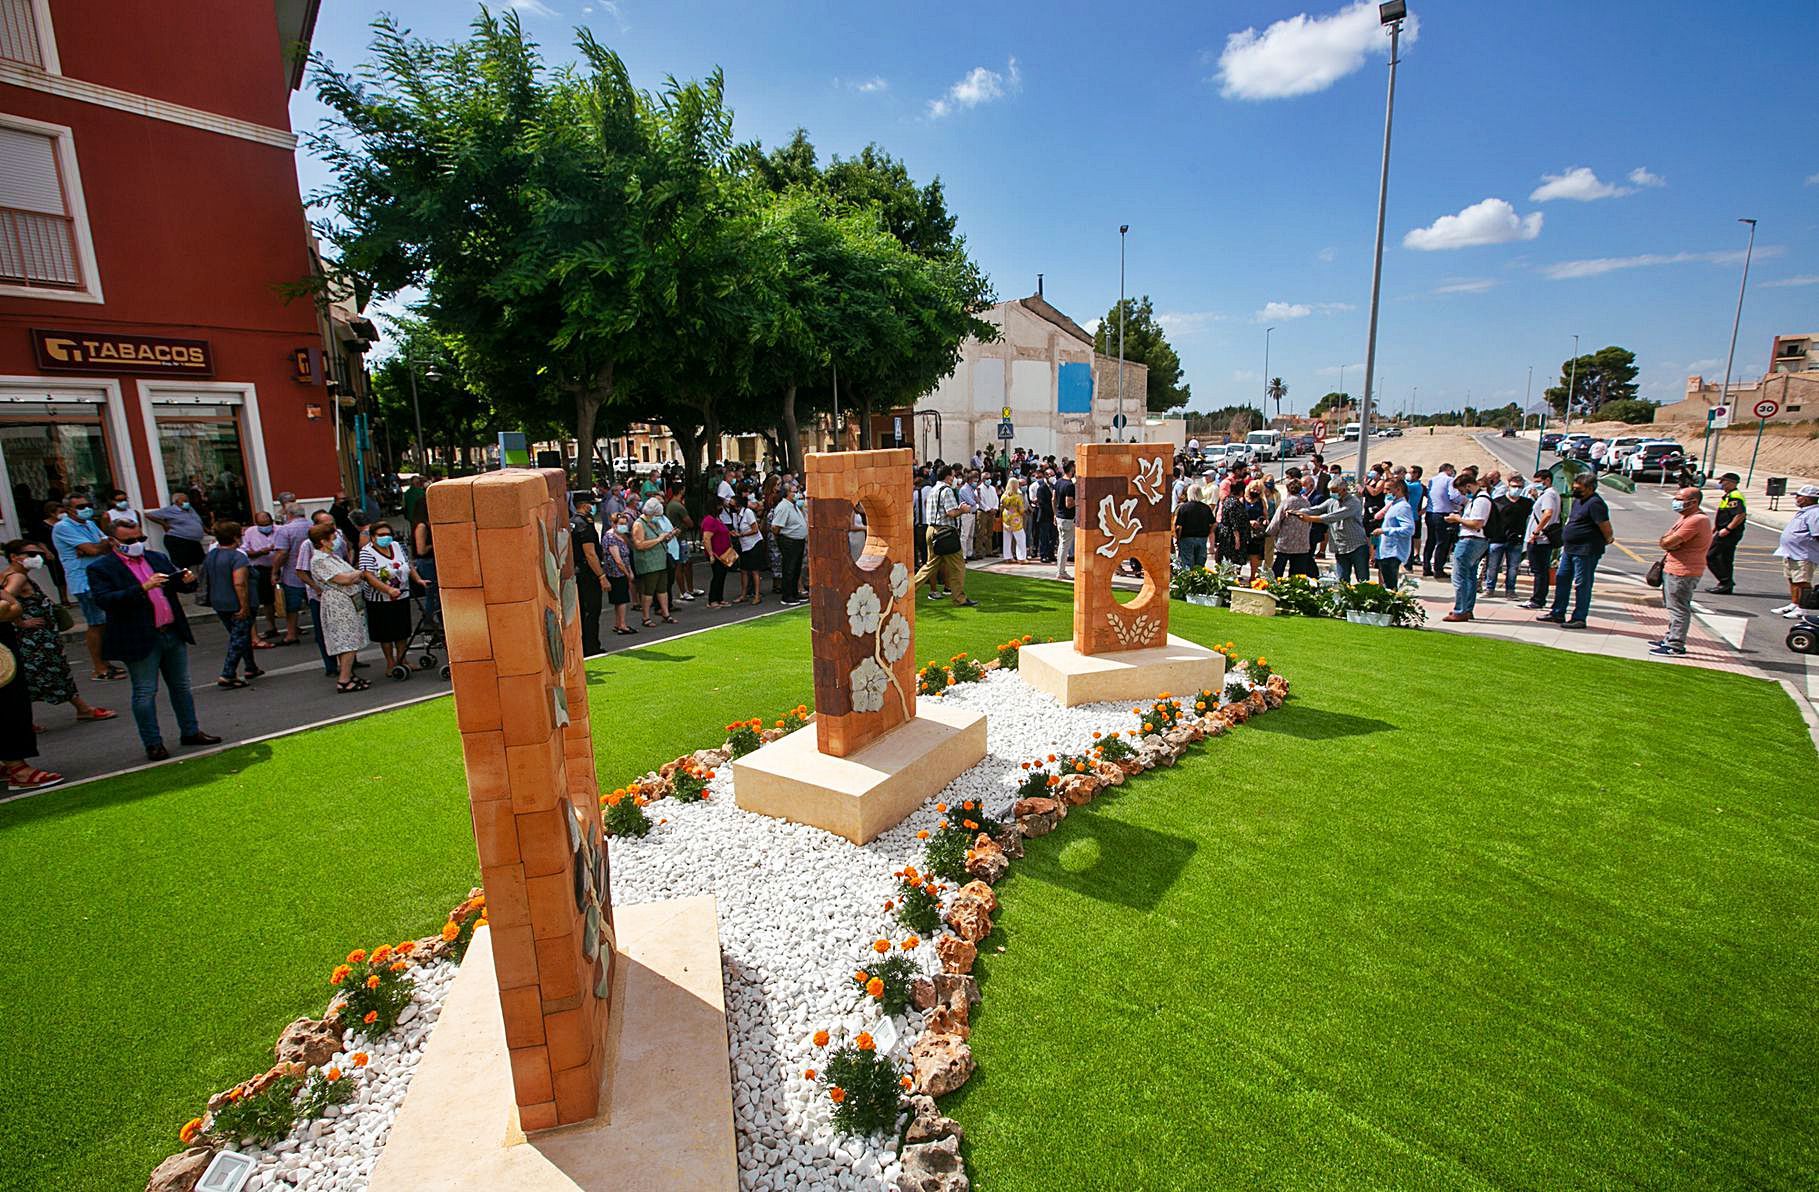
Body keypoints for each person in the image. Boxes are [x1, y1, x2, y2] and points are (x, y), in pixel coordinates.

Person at [86, 519, 221, 760]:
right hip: (140, 638)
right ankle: (153, 743)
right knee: (145, 691)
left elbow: (179, 587)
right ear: (113, 542)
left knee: (181, 687)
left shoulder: (156, 558)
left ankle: (190, 731)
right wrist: (143, 587)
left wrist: (187, 581)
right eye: (130, 541)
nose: (137, 544)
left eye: (140, 539)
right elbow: (105, 600)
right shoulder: (102, 568)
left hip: (171, 631)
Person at [1, 540, 116, 725]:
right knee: (54, 672)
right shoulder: (17, 577)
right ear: (14, 557)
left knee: (37, 677)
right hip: (36, 638)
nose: (36, 558)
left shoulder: (13, 574)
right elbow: (7, 601)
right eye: (30, 554)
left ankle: (27, 721)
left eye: (37, 553)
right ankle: (83, 709)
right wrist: (21, 621)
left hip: (37, 636)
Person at [310, 521, 392, 692]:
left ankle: (349, 674)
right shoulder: (319, 560)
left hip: (350, 600)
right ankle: (344, 679)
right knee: (347, 641)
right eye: (333, 538)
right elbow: (344, 579)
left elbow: (350, 575)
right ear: (323, 541)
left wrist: (356, 574)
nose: (336, 541)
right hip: (338, 603)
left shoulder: (332, 557)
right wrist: (362, 572)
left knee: (351, 638)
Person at [50, 494, 122, 681]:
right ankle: (99, 667)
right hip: (83, 580)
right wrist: (96, 547)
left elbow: (110, 543)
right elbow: (95, 549)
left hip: (100, 577)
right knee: (96, 623)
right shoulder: (63, 527)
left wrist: (96, 547)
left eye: (88, 504)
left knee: (105, 623)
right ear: (69, 510)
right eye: (81, 506)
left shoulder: (89, 524)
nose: (87, 508)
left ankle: (106, 662)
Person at [1538, 471, 1613, 629]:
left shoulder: (1595, 503)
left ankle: (1579, 617)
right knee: (1562, 578)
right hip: (1570, 548)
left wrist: (1608, 538)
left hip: (1586, 550)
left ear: (1591, 488)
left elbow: (1605, 526)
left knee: (1582, 583)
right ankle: (1557, 612)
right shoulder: (1579, 501)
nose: (1576, 491)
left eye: (1580, 488)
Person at [0, 587, 58, 789]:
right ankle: (17, 768)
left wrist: (7, 610)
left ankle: (10, 762)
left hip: (4, 649)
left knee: (14, 704)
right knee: (7, 707)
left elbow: (13, 606)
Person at [200, 522, 263, 688]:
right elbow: (239, 583)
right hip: (237, 601)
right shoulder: (238, 557)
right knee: (239, 637)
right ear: (235, 537)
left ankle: (251, 666)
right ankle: (228, 673)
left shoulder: (212, 555)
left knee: (240, 635)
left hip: (219, 601)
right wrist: (244, 606)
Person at [1653, 487, 1713, 656]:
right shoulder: (1686, 518)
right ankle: (1670, 637)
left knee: (1678, 607)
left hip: (1683, 571)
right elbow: (1666, 540)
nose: (1676, 501)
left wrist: (1668, 542)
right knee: (1672, 606)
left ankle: (1675, 644)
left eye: (1680, 499)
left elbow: (1668, 542)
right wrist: (1668, 542)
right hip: (1673, 568)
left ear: (1693, 502)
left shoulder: (1697, 520)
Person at [357, 521, 423, 673]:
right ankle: (390, 662)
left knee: (402, 630)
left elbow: (408, 565)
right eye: (381, 535)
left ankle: (402, 659)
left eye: (388, 534)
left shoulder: (397, 547)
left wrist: (418, 580)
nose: (385, 538)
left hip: (402, 594)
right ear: (373, 537)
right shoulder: (367, 552)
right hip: (380, 599)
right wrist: (387, 589)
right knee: (385, 633)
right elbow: (368, 575)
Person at [913, 463, 977, 606]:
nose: (954, 479)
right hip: (945, 532)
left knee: (930, 565)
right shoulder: (946, 490)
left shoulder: (933, 489)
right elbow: (951, 512)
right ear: (948, 477)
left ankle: (907, 591)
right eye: (953, 476)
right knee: (958, 565)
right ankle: (959, 598)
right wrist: (963, 510)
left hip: (931, 530)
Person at [1298, 477, 1368, 583]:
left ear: (1344, 490)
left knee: (1363, 580)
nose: (1332, 493)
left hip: (1356, 546)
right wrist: (1297, 512)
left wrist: (1309, 519)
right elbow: (1316, 509)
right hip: (1340, 547)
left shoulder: (1353, 502)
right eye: (1330, 491)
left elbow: (1332, 517)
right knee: (1342, 581)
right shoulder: (1332, 501)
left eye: (1334, 491)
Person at [1443, 475, 1492, 622]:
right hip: (1474, 540)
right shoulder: (1477, 499)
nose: (1462, 493)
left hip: (1471, 540)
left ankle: (1461, 610)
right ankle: (1466, 609)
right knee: (1469, 576)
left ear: (1468, 486)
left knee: (1459, 576)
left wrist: (1456, 519)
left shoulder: (1481, 500)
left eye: (1462, 490)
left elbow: (1477, 523)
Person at [1770, 484, 1819, 617]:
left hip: (1804, 554)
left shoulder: (1815, 514)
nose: (1796, 498)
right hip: (1791, 552)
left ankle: (1802, 608)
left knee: (1802, 581)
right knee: (1792, 579)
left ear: (1808, 498)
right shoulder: (1805, 511)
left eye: (1799, 496)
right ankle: (1794, 603)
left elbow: (1817, 534)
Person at [268, 505, 314, 647]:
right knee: (315, 603)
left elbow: (282, 553)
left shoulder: (285, 530)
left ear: (289, 515)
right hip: (313, 572)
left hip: (293, 573)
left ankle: (291, 634)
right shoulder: (313, 527)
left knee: (292, 607)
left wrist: (274, 571)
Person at [1483, 473, 1532, 599]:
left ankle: (1510, 590)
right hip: (1497, 538)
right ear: (1508, 486)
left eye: (1520, 487)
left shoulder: (1526, 503)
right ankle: (1490, 589)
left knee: (1513, 568)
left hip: (1516, 540)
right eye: (1514, 486)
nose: (1517, 489)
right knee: (1493, 566)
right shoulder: (1498, 502)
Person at [1520, 468, 1562, 610]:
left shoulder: (1549, 495)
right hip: (1542, 538)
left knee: (1539, 571)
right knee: (1541, 570)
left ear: (1547, 480)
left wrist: (1536, 532)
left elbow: (1548, 513)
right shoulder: (1550, 494)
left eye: (1538, 482)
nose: (1535, 484)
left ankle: (1537, 599)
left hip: (1540, 539)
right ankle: (1539, 598)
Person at [633, 497, 679, 626]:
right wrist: (659, 539)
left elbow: (660, 537)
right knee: (649, 590)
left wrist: (668, 536)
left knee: (662, 589)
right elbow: (639, 545)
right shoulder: (639, 524)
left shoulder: (655, 523)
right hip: (648, 562)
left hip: (660, 559)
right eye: (656, 515)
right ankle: (646, 617)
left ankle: (666, 613)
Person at [571, 493, 606, 655]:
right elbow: (590, 554)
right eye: (591, 505)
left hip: (577, 572)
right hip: (587, 574)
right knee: (591, 611)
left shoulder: (572, 523)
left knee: (582, 612)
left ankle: (585, 646)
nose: (592, 508)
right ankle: (591, 648)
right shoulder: (584, 524)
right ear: (585, 506)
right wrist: (601, 576)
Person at [145, 490, 207, 576]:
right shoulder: (170, 510)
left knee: (199, 562)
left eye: (187, 500)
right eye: (184, 501)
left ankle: (196, 582)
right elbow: (149, 515)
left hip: (193, 541)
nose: (187, 502)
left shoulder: (190, 509)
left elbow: (197, 520)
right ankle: (185, 584)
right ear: (177, 502)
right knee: (183, 564)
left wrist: (205, 529)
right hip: (178, 540)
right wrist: (164, 524)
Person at [241, 510, 280, 646]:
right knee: (266, 599)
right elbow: (245, 551)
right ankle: (271, 626)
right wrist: (260, 552)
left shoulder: (280, 530)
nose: (265, 527)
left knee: (283, 598)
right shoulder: (250, 532)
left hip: (279, 567)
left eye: (267, 523)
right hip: (261, 568)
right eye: (261, 524)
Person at [1705, 473, 1747, 594]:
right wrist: (1716, 528)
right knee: (1726, 558)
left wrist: (1727, 529)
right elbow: (1725, 515)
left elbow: (1740, 515)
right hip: (1725, 531)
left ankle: (1725, 581)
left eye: (1723, 481)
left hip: (1729, 533)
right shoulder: (1729, 495)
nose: (1721, 484)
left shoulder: (1735, 496)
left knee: (1710, 556)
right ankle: (1726, 585)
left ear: (1730, 482)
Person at [769, 481, 808, 605]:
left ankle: (794, 592)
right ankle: (787, 595)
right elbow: (775, 527)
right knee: (789, 568)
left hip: (798, 540)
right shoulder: (783, 507)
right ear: (787, 493)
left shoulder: (794, 505)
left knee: (796, 568)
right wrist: (782, 539)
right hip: (789, 541)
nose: (797, 494)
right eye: (794, 492)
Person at [1268, 476, 1315, 578]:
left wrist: (1269, 533)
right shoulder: (1306, 502)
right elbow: (1309, 521)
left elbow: (1276, 520)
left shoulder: (1287, 502)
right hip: (1302, 543)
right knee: (1297, 574)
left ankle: (1274, 588)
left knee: (1278, 571)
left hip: (1285, 542)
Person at [663, 482, 699, 602]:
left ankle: (689, 589)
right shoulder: (678, 506)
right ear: (681, 491)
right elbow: (690, 523)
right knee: (681, 564)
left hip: (678, 537)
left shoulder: (671, 505)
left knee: (686, 563)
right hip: (679, 538)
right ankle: (684, 591)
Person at [1423, 463, 1460, 577]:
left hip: (1430, 513)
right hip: (1442, 514)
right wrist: (1462, 502)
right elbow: (1453, 496)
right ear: (1448, 469)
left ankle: (1426, 567)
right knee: (1442, 542)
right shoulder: (1449, 480)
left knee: (1431, 541)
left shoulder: (1432, 480)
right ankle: (1438, 569)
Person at [1377, 478, 1415, 589]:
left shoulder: (1403, 507)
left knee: (1391, 587)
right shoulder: (1393, 505)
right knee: (1386, 585)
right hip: (1386, 551)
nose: (1385, 492)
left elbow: (1409, 529)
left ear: (1398, 490)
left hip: (1393, 552)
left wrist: (1385, 530)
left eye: (1388, 489)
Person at [700, 497, 736, 610]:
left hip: (724, 553)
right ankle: (713, 599)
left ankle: (719, 598)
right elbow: (706, 538)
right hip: (717, 554)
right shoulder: (710, 520)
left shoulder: (716, 519)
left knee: (721, 576)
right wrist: (711, 554)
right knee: (717, 576)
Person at [733, 493, 767, 607]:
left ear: (738, 505)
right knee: (743, 570)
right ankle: (743, 594)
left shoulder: (747, 513)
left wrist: (742, 534)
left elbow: (755, 529)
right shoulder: (735, 515)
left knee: (754, 570)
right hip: (743, 545)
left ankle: (757, 595)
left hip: (753, 544)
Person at [1174, 485, 1214, 570]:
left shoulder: (1184, 507)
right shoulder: (1206, 508)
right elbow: (1213, 523)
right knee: (1199, 565)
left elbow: (1179, 526)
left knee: (1187, 564)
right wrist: (1209, 532)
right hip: (1202, 538)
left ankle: (1188, 582)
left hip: (1186, 538)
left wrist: (1178, 538)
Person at [1053, 461, 1077, 580]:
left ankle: (1060, 570)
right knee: (1064, 546)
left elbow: (1054, 499)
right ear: (1072, 469)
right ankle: (1061, 571)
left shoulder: (1058, 482)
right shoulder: (1069, 485)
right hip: (1067, 518)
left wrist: (1055, 513)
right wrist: (1080, 500)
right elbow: (1069, 503)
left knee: (1062, 545)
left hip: (1060, 517)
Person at [1000, 477, 1027, 562]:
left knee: (1007, 538)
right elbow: (1021, 509)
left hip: (1006, 516)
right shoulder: (1017, 496)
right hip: (1016, 517)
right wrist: (1023, 513)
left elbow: (1001, 507)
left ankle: (1008, 557)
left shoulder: (1003, 496)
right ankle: (1021, 558)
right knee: (1021, 538)